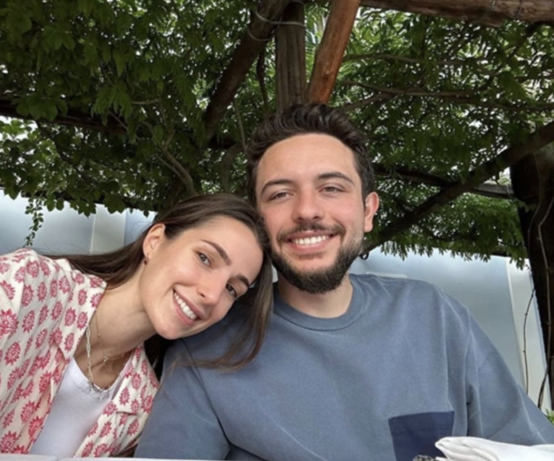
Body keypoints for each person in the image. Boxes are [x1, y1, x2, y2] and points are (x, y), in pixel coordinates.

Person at [135, 104, 554, 461]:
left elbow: (530, 448)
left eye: (332, 188)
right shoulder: (206, 351)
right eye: (280, 194)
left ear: (368, 210)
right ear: (258, 220)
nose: (307, 210)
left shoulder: (435, 316)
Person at [0, 193, 273, 458]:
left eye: (233, 289)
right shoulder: (26, 289)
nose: (212, 294)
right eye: (205, 258)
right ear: (155, 241)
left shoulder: (141, 404)